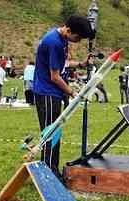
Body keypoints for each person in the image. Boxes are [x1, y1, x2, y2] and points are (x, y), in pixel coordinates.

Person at [33, 15, 95, 177]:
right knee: (50, 133)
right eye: (78, 37)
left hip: (54, 93)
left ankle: (51, 169)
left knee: (55, 133)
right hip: (47, 93)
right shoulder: (53, 42)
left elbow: (63, 64)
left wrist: (81, 64)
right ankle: (48, 173)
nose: (79, 40)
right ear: (68, 30)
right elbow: (54, 77)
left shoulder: (62, 40)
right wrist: (74, 92)